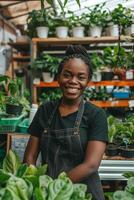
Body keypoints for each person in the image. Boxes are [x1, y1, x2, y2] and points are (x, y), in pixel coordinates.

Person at [23, 45, 108, 200]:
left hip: (83, 193)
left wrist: (55, 188)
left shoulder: (96, 115)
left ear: (88, 81)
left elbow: (91, 165)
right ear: (58, 77)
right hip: (47, 192)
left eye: (81, 77)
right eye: (67, 75)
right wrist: (36, 184)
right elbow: (30, 156)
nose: (73, 81)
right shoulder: (45, 110)